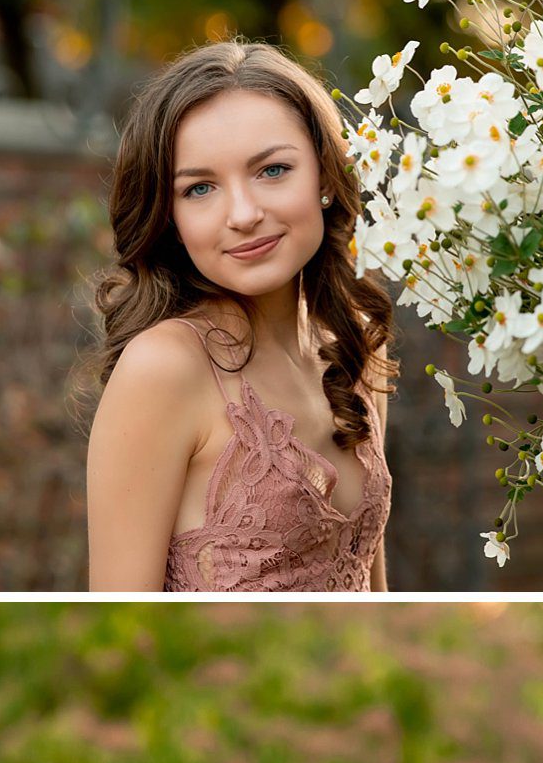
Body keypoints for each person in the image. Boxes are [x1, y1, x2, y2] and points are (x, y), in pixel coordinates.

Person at [86, 43, 394, 592]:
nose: (244, 214)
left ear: (326, 176)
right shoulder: (163, 368)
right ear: (171, 217)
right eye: (199, 188)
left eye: (272, 170)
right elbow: (120, 617)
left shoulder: (355, 343)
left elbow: (372, 592)